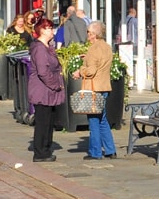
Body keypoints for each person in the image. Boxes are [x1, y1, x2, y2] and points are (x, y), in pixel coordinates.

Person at [73, 21, 117, 160]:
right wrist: (88, 59)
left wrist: (79, 71)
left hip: (94, 88)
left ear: (93, 34)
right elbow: (100, 63)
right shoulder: (107, 47)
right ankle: (110, 150)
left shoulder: (92, 49)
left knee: (93, 121)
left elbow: (91, 71)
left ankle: (95, 152)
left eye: (88, 32)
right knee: (102, 119)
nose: (87, 35)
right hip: (104, 87)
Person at [27, 18, 65, 162]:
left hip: (49, 92)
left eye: (51, 28)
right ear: (41, 31)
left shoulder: (48, 47)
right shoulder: (39, 49)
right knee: (43, 122)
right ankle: (40, 152)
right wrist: (55, 84)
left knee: (49, 122)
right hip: (42, 91)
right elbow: (43, 72)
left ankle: (46, 150)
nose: (52, 31)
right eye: (49, 28)